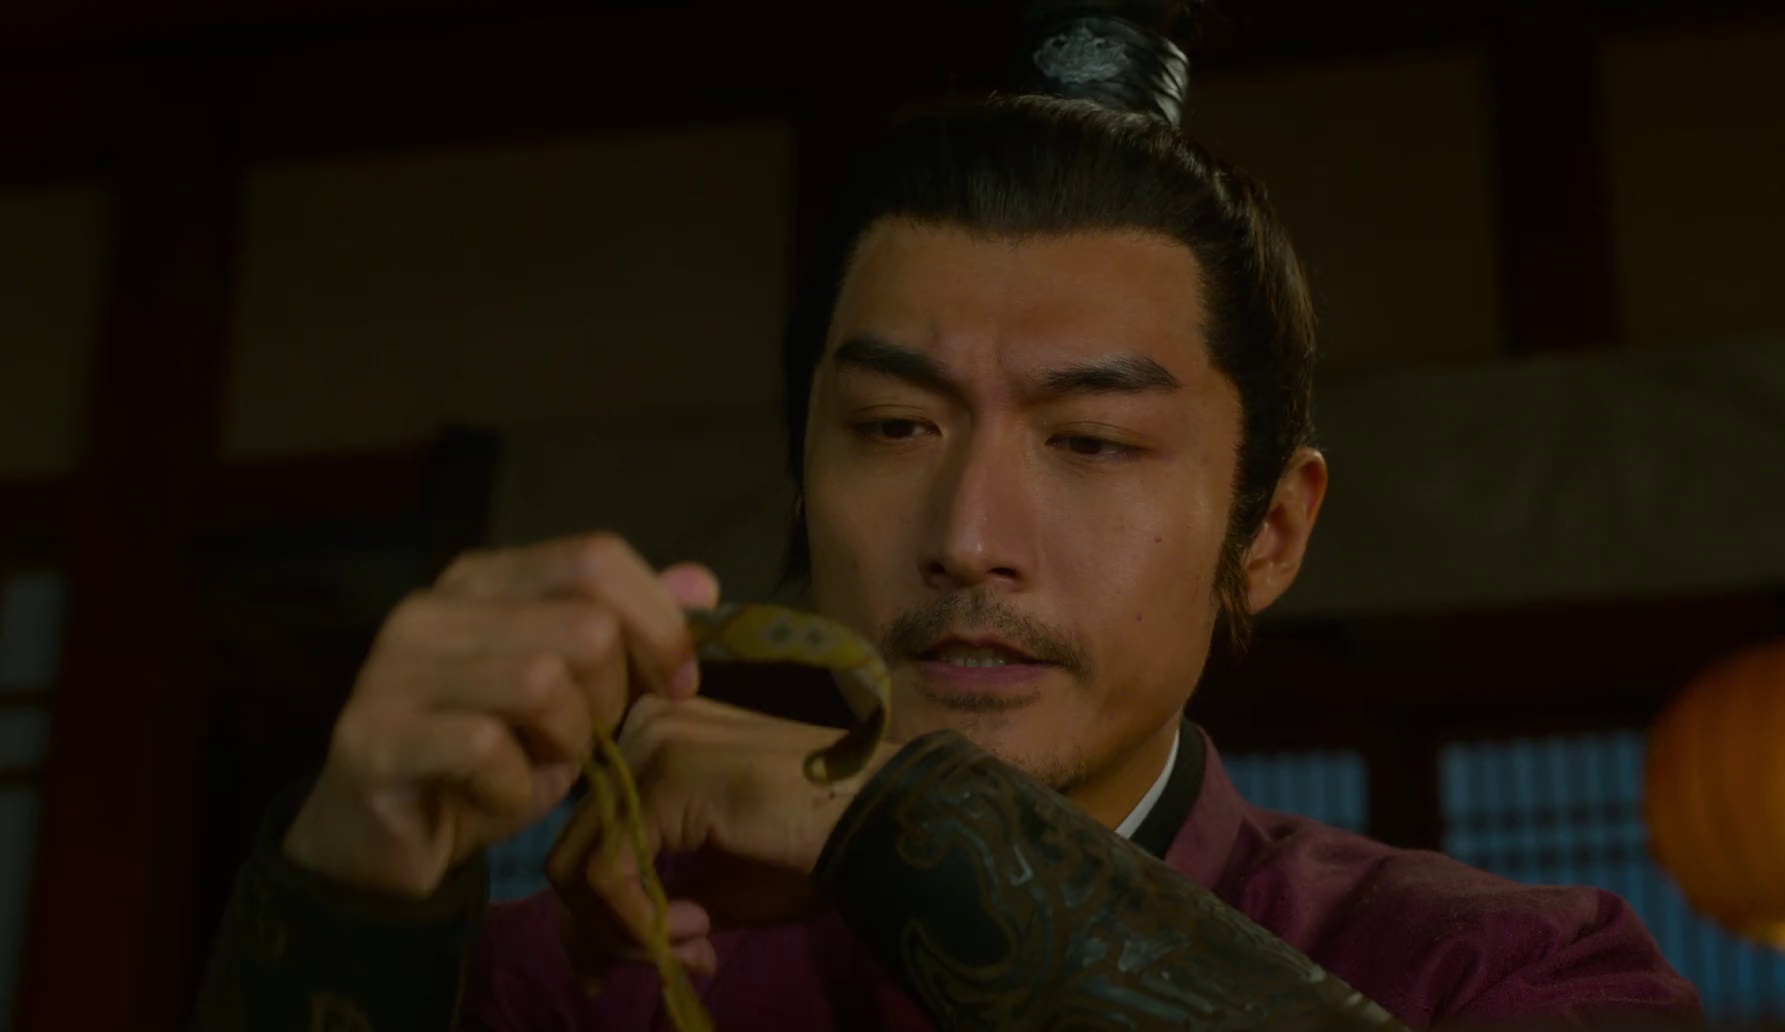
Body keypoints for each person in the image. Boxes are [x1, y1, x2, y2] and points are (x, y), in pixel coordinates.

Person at [190, 3, 1702, 1029]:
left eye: (1092, 439)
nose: (970, 534)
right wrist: (348, 888)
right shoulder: (579, 984)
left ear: (1271, 532)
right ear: (801, 474)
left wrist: (904, 834)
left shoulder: (1502, 973)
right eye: (893, 427)